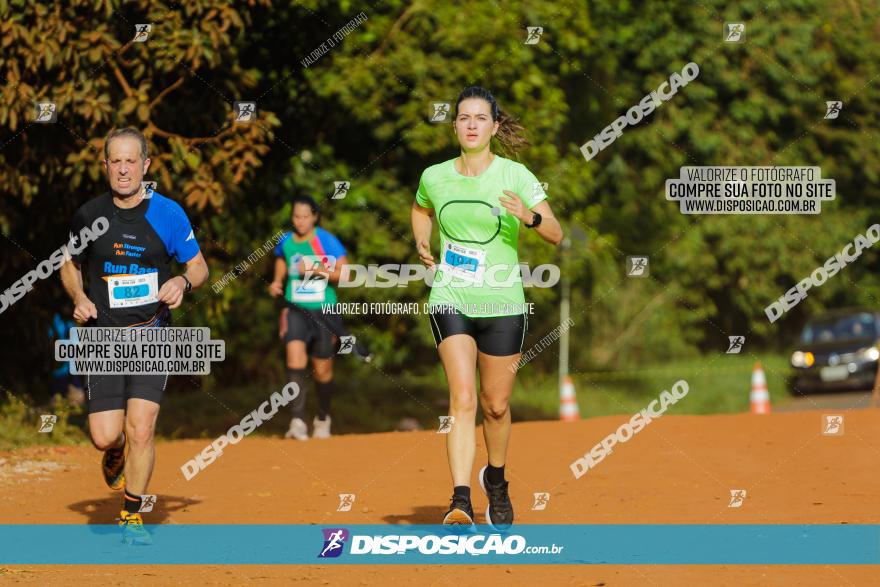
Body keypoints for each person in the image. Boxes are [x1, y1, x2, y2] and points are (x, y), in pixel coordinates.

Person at [411, 86, 563, 529]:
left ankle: (495, 478)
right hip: (451, 296)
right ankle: (460, 501)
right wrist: (422, 239)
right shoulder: (434, 176)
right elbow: (421, 209)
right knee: (462, 399)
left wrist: (530, 217)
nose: (472, 124)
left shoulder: (515, 175)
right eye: (464, 117)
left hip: (502, 300)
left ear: (495, 127)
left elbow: (555, 232)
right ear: (455, 124)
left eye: (481, 118)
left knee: (495, 405)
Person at [59, 127, 208, 544]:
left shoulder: (170, 214)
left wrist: (182, 282)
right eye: (115, 161)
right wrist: (79, 295)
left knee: (142, 426)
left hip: (152, 333)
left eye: (131, 161)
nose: (123, 169)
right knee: (105, 435)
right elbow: (68, 264)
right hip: (103, 336)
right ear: (104, 166)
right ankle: (116, 450)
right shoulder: (89, 216)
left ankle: (132, 514)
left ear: (146, 165)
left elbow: (199, 267)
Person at [269, 195, 349, 440]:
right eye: (296, 217)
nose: (300, 221)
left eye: (305, 216)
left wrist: (314, 268)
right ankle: (297, 421)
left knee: (322, 369)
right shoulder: (286, 241)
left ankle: (323, 417)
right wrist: (277, 281)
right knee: (294, 360)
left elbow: (345, 274)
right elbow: (282, 259)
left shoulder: (326, 240)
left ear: (314, 216)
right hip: (296, 308)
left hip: (324, 310)